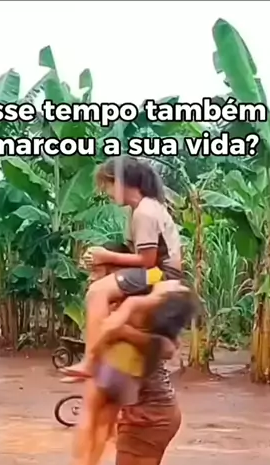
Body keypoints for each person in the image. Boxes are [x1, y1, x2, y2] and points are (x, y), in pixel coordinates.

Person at [61, 249, 189, 465]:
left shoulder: (126, 303)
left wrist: (91, 359)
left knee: (89, 413)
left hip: (119, 373)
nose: (94, 279)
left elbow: (111, 331)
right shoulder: (150, 302)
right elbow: (170, 346)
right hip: (133, 379)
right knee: (105, 423)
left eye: (98, 272)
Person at [63, 155, 185, 381]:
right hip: (158, 271)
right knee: (106, 295)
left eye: (107, 185)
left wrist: (106, 256)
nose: (106, 192)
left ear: (120, 182)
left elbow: (147, 261)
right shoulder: (141, 208)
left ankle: (91, 360)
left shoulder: (145, 212)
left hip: (160, 274)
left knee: (97, 293)